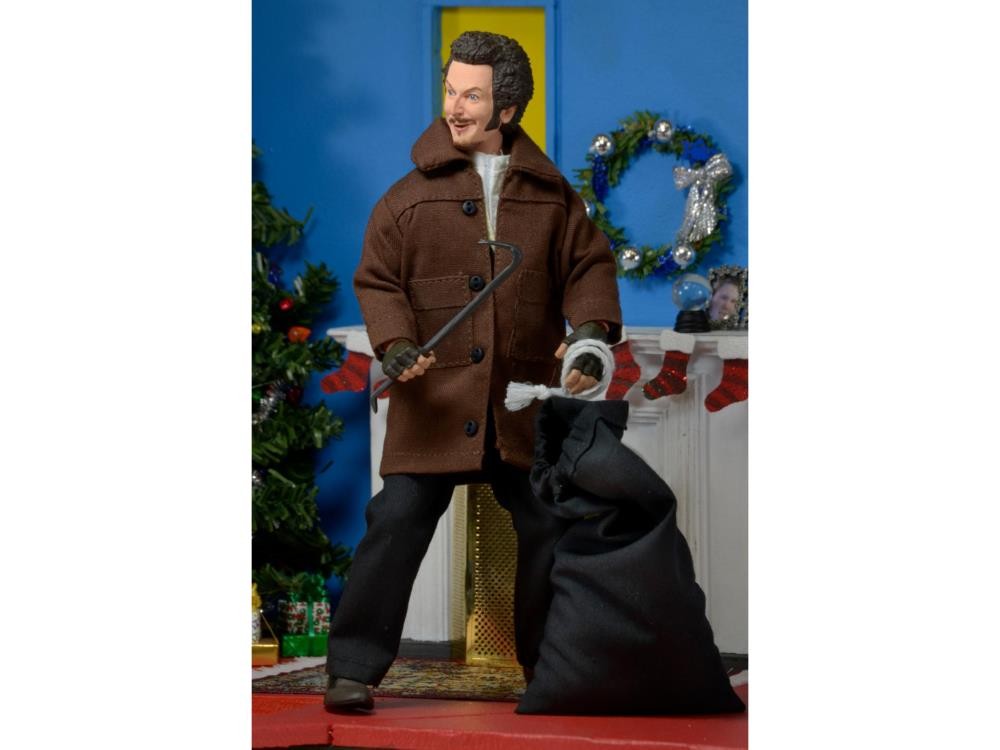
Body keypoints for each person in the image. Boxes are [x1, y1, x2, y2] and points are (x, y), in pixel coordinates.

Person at [323, 30, 622, 712]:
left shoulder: (553, 199)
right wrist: (397, 344)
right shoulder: (406, 199)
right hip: (434, 402)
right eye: (451, 91)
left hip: (517, 406)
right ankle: (352, 667)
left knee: (548, 524)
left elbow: (588, 269)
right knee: (396, 519)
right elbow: (378, 280)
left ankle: (549, 667)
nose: (454, 108)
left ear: (507, 109)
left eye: (473, 96)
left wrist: (588, 337)